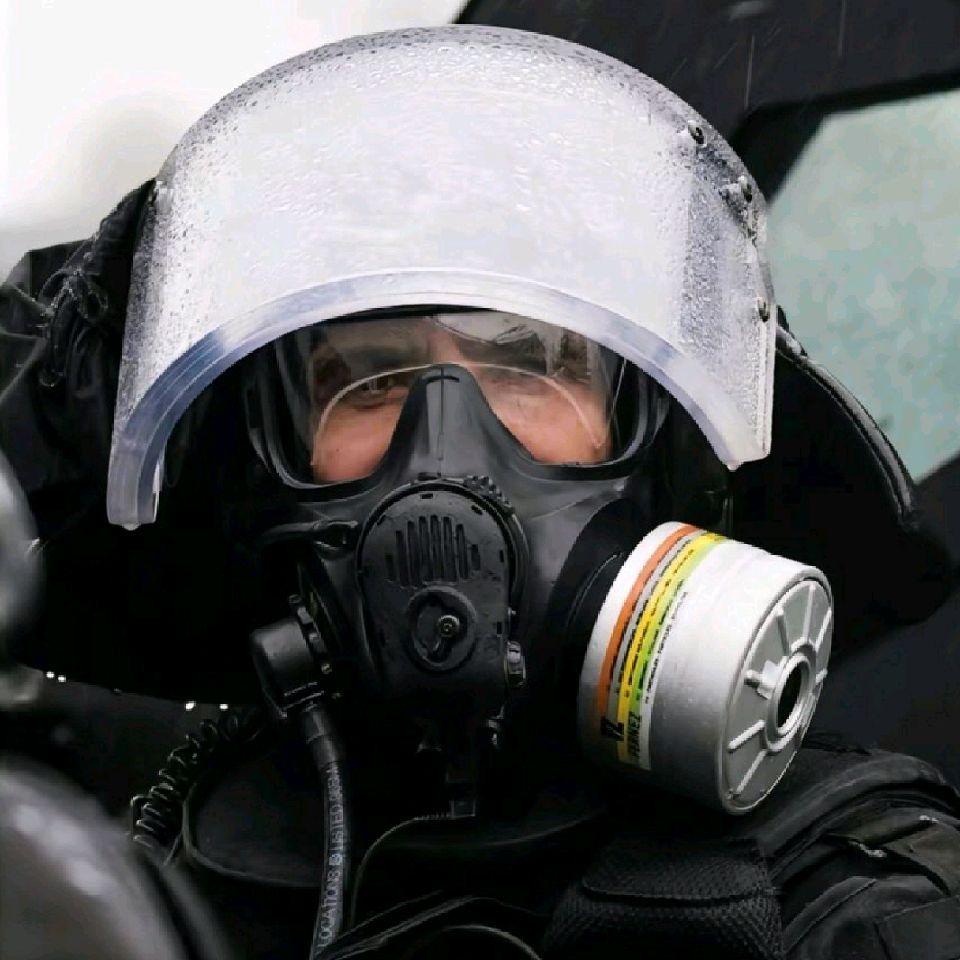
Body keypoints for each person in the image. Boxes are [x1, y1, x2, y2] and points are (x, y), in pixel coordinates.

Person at [3, 24, 960, 960]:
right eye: (368, 380)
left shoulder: (847, 903)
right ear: (260, 480)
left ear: (670, 459)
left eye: (528, 365)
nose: (443, 446)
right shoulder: (158, 873)